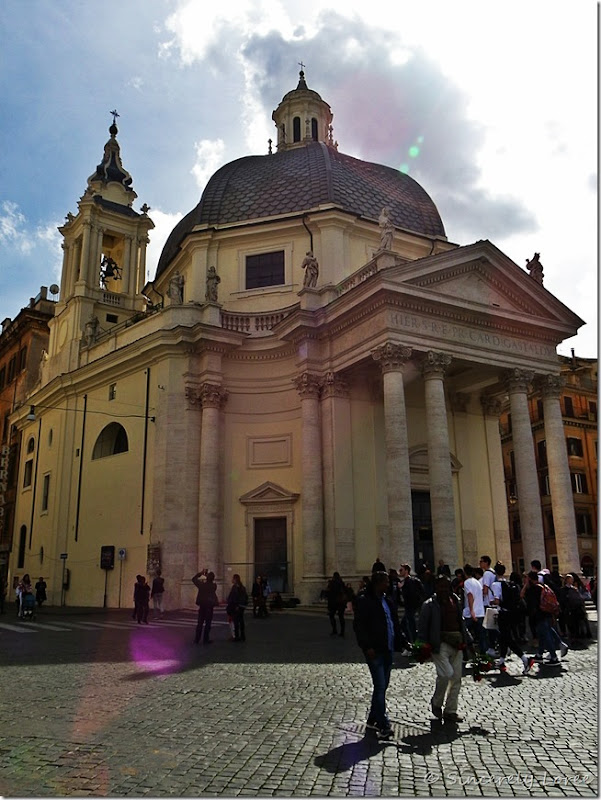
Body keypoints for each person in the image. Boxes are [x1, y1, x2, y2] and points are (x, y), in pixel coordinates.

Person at [353, 570, 403, 740]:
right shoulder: (364, 601)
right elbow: (359, 626)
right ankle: (383, 724)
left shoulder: (388, 601)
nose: (388, 585)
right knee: (380, 685)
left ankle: (373, 717)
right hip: (374, 650)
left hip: (387, 647)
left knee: (383, 686)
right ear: (378, 583)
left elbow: (394, 623)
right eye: (386, 582)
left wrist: (402, 642)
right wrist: (367, 646)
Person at [418, 575, 467, 723]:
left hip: (457, 643)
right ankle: (436, 702)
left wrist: (468, 641)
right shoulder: (429, 605)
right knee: (446, 674)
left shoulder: (456, 601)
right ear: (436, 588)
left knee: (457, 678)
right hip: (440, 644)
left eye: (446, 586)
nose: (444, 589)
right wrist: (422, 645)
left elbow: (461, 622)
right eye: (441, 586)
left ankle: (451, 710)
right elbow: (422, 627)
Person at [490, 563, 534, 674]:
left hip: (503, 613)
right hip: (512, 613)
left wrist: (491, 602)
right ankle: (501, 660)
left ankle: (525, 659)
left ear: (495, 572)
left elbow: (496, 600)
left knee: (507, 638)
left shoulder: (495, 584)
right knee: (503, 637)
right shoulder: (509, 583)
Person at [462, 564, 486, 654]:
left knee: (465, 634)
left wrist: (471, 610)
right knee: (481, 636)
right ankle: (483, 656)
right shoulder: (477, 582)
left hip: (471, 613)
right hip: (480, 612)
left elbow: (470, 595)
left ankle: (467, 654)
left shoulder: (467, 582)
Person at [398, 564, 423, 644]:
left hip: (410, 606)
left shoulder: (409, 581)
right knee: (406, 625)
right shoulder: (405, 582)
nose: (399, 572)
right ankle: (411, 642)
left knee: (410, 625)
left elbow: (410, 594)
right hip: (409, 606)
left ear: (406, 571)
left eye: (401, 570)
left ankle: (414, 643)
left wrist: (402, 588)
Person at [192, 569, 218, 644]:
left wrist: (200, 573)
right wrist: (208, 576)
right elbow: (211, 581)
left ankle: (197, 639)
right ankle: (205, 639)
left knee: (200, 623)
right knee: (208, 624)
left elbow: (193, 579)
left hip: (202, 606)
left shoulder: (202, 585)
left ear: (207, 578)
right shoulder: (214, 586)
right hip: (209, 607)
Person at [226, 574, 248, 642]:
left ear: (235, 579)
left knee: (236, 622)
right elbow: (245, 597)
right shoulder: (243, 587)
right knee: (241, 621)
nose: (232, 580)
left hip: (236, 607)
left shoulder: (235, 587)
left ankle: (236, 636)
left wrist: (234, 605)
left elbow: (233, 597)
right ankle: (243, 636)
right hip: (242, 606)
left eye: (233, 578)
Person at [326, 571, 347, 637]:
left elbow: (329, 593)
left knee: (332, 616)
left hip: (333, 603)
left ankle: (334, 630)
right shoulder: (342, 583)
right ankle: (342, 631)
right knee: (341, 617)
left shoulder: (332, 583)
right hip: (341, 602)